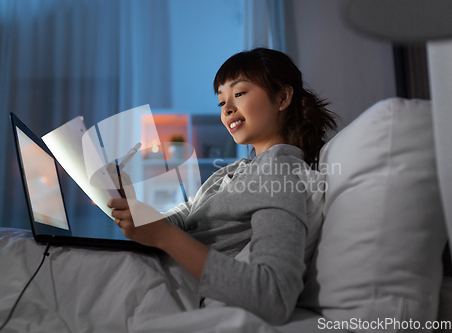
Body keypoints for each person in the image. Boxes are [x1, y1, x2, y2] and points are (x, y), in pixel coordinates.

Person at [107, 48, 337, 325]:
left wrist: (162, 235)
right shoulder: (233, 171)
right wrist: (139, 212)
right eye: (221, 101)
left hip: (172, 291)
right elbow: (185, 216)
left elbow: (273, 296)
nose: (227, 108)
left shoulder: (280, 174)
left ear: (283, 97)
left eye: (239, 94)